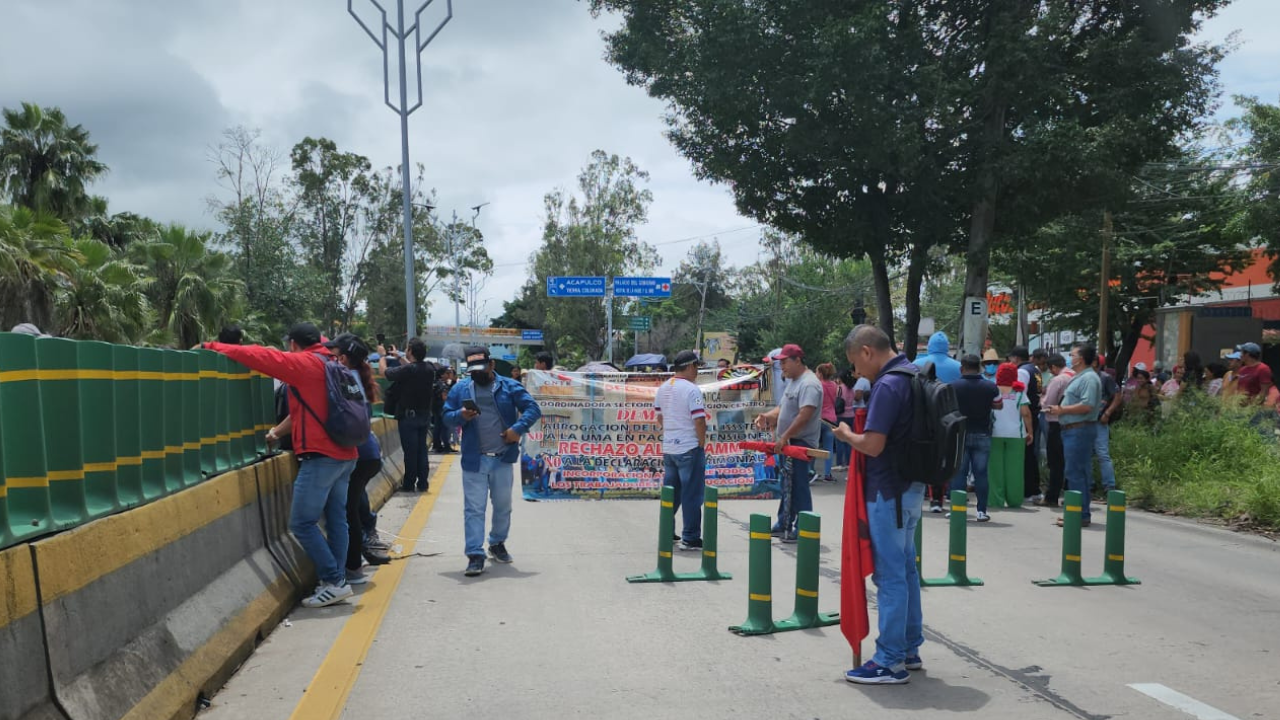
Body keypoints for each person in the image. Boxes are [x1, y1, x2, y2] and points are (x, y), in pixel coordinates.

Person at [208, 322, 358, 608]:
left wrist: (213, 346)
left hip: (321, 456)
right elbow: (307, 410)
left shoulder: (304, 364)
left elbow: (261, 357)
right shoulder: (333, 363)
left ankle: (335, 581)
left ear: (292, 344)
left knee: (301, 523)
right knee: (337, 519)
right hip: (346, 453)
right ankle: (336, 580)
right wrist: (277, 432)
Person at [834, 325, 924, 685]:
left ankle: (889, 659)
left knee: (890, 575)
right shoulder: (914, 373)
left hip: (889, 489)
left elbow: (872, 445)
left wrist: (845, 435)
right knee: (906, 570)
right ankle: (909, 648)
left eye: (856, 363)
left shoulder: (888, 385)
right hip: (912, 485)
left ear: (868, 351)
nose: (856, 372)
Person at [443, 346, 542, 577]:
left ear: (492, 365)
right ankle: (475, 554)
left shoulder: (510, 386)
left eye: (481, 369)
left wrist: (517, 429)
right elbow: (446, 417)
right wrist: (460, 416)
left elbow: (532, 408)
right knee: (474, 509)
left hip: (502, 458)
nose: (477, 374)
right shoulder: (460, 389)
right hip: (474, 459)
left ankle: (497, 542)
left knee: (503, 506)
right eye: (473, 370)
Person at [324, 333, 389, 586]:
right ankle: (359, 555)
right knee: (352, 507)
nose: (330, 358)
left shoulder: (344, 379)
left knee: (346, 512)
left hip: (361, 455)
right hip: (367, 454)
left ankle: (353, 568)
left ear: (343, 357)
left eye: (334, 354)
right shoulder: (355, 378)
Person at [751, 344, 820, 542]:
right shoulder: (794, 381)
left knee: (799, 485)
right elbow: (782, 409)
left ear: (797, 360)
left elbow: (804, 416)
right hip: (788, 442)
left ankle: (804, 526)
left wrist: (784, 436)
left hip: (800, 443)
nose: (781, 366)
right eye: (779, 362)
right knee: (788, 485)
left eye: (784, 362)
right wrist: (767, 417)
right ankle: (784, 522)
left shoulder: (809, 383)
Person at [654, 350, 708, 551]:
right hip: (689, 447)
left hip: (670, 448)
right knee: (692, 494)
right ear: (691, 366)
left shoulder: (663, 388)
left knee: (671, 493)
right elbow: (699, 420)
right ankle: (691, 537)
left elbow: (659, 418)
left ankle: (667, 531)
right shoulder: (692, 390)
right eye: (697, 367)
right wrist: (701, 442)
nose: (697, 372)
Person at [1046, 343, 1102, 527]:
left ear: (1082, 358)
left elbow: (1087, 405)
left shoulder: (1089, 379)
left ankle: (1079, 514)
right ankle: (1078, 512)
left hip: (1079, 429)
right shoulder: (1079, 377)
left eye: (1073, 354)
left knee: (1076, 473)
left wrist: (1061, 410)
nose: (1070, 357)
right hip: (1073, 430)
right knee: (1077, 472)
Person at [949, 355, 1002, 521]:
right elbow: (999, 405)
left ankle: (958, 509)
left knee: (959, 473)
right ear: (979, 368)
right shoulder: (990, 386)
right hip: (982, 433)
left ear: (962, 368)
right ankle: (981, 511)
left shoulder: (953, 386)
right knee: (981, 473)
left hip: (960, 434)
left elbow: (947, 407)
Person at [380, 339, 436, 493]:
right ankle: (423, 483)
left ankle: (409, 484)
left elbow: (385, 373)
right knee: (421, 451)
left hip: (409, 417)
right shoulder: (429, 368)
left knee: (410, 452)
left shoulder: (410, 370)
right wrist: (398, 356)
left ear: (410, 351)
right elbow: (412, 367)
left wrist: (382, 357)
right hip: (424, 415)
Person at [989, 363, 1031, 509]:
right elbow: (1025, 413)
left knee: (995, 468)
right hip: (1016, 434)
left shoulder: (993, 390)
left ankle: (995, 500)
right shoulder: (1019, 392)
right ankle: (1014, 500)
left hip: (995, 433)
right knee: (1015, 468)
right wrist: (1030, 432)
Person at [1038, 354, 1074, 507]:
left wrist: (1041, 397)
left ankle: (1051, 497)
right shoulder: (1075, 377)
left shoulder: (1058, 380)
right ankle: (1071, 495)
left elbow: (1047, 404)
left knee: (1056, 463)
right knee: (1070, 461)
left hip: (1056, 424)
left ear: (1053, 367)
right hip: (1073, 424)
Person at [1008, 346, 1043, 503]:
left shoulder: (1022, 372)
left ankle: (1029, 490)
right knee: (1031, 453)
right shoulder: (1035, 370)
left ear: (1015, 358)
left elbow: (1019, 394)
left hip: (1027, 415)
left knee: (1026, 455)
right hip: (1035, 412)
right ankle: (1034, 489)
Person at [1094, 355, 1122, 497]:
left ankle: (1109, 485)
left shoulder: (1105, 378)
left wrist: (1108, 413)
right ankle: (1089, 484)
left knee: (1103, 454)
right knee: (1086, 454)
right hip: (1085, 422)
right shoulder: (1082, 377)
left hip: (1099, 422)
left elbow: (1118, 395)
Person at [815, 362, 840, 483]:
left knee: (813, 446)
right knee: (828, 448)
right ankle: (827, 474)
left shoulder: (818, 385)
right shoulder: (834, 385)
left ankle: (811, 472)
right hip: (831, 419)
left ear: (820, 373)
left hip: (819, 419)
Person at [432, 366, 455, 453]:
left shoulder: (438, 383)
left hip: (437, 408)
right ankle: (446, 446)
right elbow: (445, 397)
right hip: (442, 408)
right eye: (447, 373)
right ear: (442, 375)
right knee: (444, 428)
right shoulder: (442, 384)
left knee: (438, 427)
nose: (449, 375)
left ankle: (437, 446)